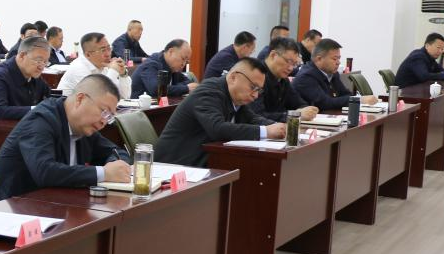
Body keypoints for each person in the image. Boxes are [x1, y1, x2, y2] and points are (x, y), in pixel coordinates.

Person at [0, 74, 132, 201]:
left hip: (53, 206)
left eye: (109, 116)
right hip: (10, 209)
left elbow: (116, 151)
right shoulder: (40, 121)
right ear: (80, 99)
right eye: (104, 112)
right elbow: (45, 171)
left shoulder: (84, 127)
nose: (104, 121)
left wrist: (116, 166)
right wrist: (105, 173)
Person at [155, 58, 286, 167]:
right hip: (172, 166)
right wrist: (266, 131)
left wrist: (280, 128)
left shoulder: (235, 98)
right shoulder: (209, 92)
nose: (255, 95)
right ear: (233, 77)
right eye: (253, 87)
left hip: (200, 165)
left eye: (259, 90)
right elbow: (217, 128)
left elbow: (252, 119)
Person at [0, 36, 51, 141]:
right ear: (22, 56)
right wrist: (35, 109)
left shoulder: (33, 75)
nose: (41, 66)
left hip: (15, 134)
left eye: (45, 62)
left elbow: (50, 96)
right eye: (38, 60)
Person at [292, 39, 378, 112]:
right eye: (334, 59)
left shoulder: (332, 73)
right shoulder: (306, 76)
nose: (338, 62)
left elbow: (345, 94)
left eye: (339, 58)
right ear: (319, 59)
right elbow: (325, 103)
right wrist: (359, 100)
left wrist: (355, 99)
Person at [252, 37, 318, 123]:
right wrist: (294, 115)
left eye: (294, 64)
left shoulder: (283, 79)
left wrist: (307, 111)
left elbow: (299, 104)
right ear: (273, 55)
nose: (291, 68)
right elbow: (257, 116)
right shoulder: (255, 75)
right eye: (288, 61)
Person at [57, 32, 126, 93]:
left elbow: (124, 96)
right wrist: (113, 71)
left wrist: (123, 74)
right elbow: (99, 96)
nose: (108, 54)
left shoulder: (102, 65)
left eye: (109, 48)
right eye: (103, 50)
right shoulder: (79, 68)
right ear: (88, 54)